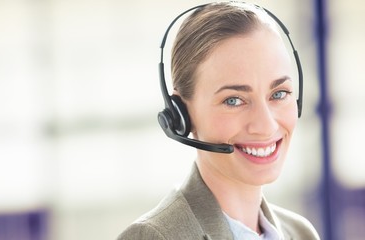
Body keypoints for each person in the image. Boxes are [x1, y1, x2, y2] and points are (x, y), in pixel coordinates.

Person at [117, 2, 320, 240]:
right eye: (233, 100)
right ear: (181, 113)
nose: (266, 126)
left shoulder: (299, 232)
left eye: (279, 94)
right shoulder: (157, 235)